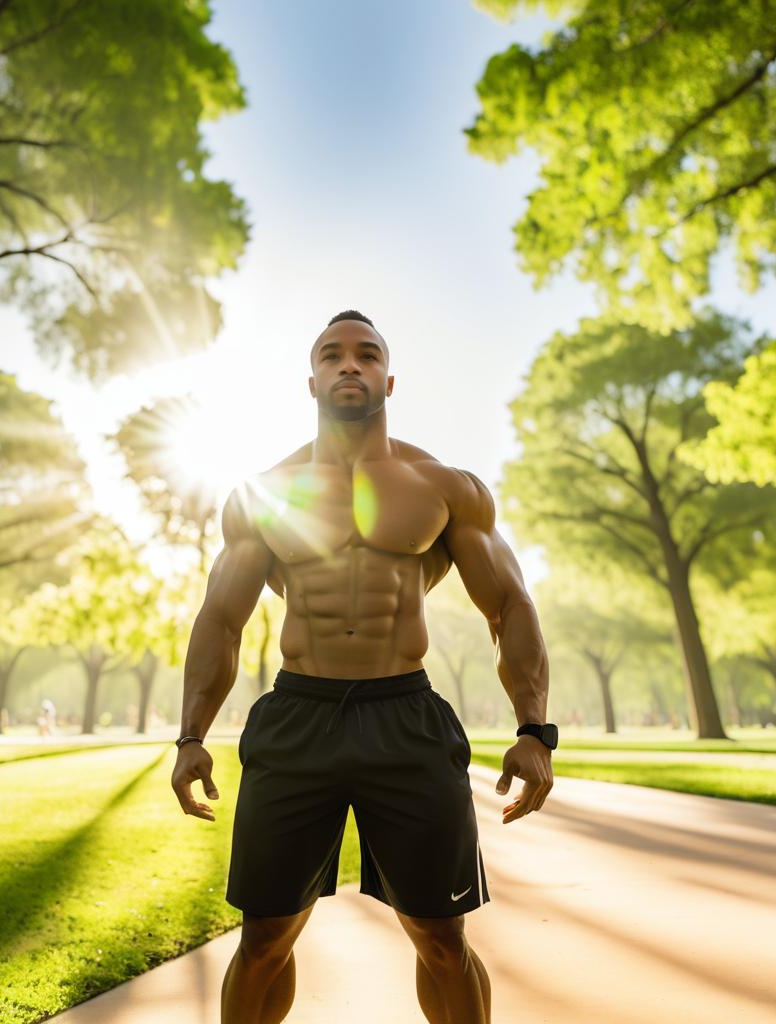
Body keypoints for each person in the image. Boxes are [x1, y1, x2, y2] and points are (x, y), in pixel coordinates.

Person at [171, 310, 556, 1024]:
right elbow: (221, 619)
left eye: (366, 354)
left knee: (442, 937)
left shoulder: (445, 486)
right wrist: (191, 737)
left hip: (404, 716)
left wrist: (536, 728)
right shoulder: (263, 494)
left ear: (388, 377)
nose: (350, 365)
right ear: (311, 379)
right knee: (263, 939)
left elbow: (508, 604)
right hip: (297, 719)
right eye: (333, 355)